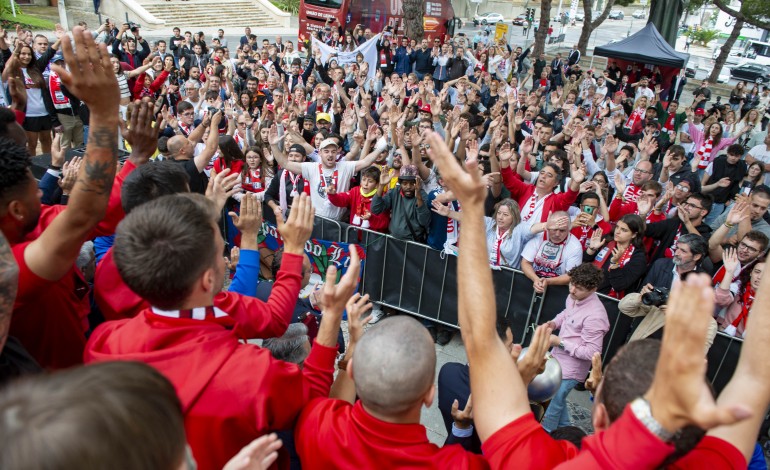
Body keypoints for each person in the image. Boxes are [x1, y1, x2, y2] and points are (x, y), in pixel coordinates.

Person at [424, 131, 753, 469]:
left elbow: (479, 337)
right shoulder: (718, 461)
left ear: (598, 414)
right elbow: (756, 380)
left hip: (567, 366)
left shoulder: (543, 460)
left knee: (537, 404)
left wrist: (474, 206)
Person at [85, 192, 347, 470]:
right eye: (221, 252)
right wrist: (330, 316)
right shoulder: (252, 373)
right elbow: (313, 397)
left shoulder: (103, 342)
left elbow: (272, 318)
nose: (225, 259)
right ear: (209, 279)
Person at [541, 263, 609, 433]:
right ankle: (566, 431)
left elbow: (592, 352)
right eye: (571, 284)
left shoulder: (596, 316)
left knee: (551, 406)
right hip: (557, 360)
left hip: (571, 370)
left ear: (593, 288)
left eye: (578, 288)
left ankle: (546, 436)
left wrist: (560, 342)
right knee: (557, 401)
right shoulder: (574, 296)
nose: (571, 290)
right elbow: (565, 313)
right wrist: (553, 323)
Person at [619, 233, 716, 347]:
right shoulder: (660, 265)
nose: (677, 253)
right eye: (677, 248)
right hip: (647, 330)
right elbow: (642, 297)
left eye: (683, 251)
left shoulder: (703, 280)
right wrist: (644, 294)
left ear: (696, 256)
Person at [584, 214, 648, 298]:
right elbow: (582, 264)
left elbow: (619, 285)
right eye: (617, 227)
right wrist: (591, 249)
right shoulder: (606, 240)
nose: (617, 231)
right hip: (585, 290)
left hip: (608, 300)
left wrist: (614, 264)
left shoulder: (638, 258)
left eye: (624, 230)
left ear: (634, 235)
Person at [520, 211, 583, 293]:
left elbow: (571, 275)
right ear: (548, 227)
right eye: (554, 229)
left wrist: (548, 281)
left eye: (562, 230)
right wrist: (536, 279)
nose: (557, 234)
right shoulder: (539, 236)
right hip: (532, 281)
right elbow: (525, 262)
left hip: (557, 288)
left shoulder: (575, 246)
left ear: (569, 229)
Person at [644, 192, 713, 263]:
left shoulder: (705, 233)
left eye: (692, 206)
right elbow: (647, 229)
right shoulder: (674, 222)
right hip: (658, 269)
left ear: (703, 212)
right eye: (686, 203)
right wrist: (643, 214)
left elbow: (701, 248)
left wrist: (687, 223)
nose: (686, 207)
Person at [371, 164, 431, 242]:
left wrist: (419, 197)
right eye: (405, 183)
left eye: (412, 183)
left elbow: (425, 221)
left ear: (417, 183)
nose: (408, 186)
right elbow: (375, 209)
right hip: (393, 241)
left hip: (413, 243)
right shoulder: (395, 192)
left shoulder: (423, 195)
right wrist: (381, 186)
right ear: (400, 183)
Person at [715, 248, 764, 338]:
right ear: (751, 273)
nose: (760, 277)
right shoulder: (738, 288)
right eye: (757, 272)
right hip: (722, 336)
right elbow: (720, 299)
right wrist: (729, 272)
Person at [327, 165, 389, 232]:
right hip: (354, 235)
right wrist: (333, 195)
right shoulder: (355, 191)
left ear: (377, 184)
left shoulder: (382, 197)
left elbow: (384, 223)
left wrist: (371, 218)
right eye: (363, 179)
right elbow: (342, 200)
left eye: (370, 181)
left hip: (372, 238)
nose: (366, 184)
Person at [701, 144, 748, 225]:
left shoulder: (742, 167)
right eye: (731, 155)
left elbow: (737, 184)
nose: (733, 158)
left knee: (710, 225)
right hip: (707, 197)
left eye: (736, 156)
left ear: (740, 156)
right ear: (727, 153)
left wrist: (729, 199)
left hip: (721, 202)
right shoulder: (716, 162)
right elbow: (704, 181)